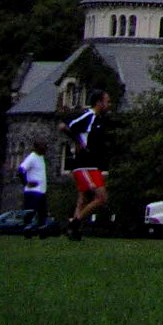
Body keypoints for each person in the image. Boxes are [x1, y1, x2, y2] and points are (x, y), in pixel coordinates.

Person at [63, 91, 110, 239]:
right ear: (99, 102)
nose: (109, 105)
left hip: (92, 165)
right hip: (85, 165)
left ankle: (74, 232)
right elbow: (67, 127)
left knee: (83, 199)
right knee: (101, 198)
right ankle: (74, 223)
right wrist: (79, 143)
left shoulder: (99, 120)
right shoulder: (89, 116)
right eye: (107, 102)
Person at [18, 140, 48, 237]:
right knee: (30, 211)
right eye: (42, 147)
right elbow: (21, 170)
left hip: (42, 190)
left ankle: (42, 231)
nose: (45, 149)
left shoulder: (41, 157)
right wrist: (26, 183)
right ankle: (27, 231)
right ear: (37, 148)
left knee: (42, 212)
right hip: (33, 191)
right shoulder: (32, 157)